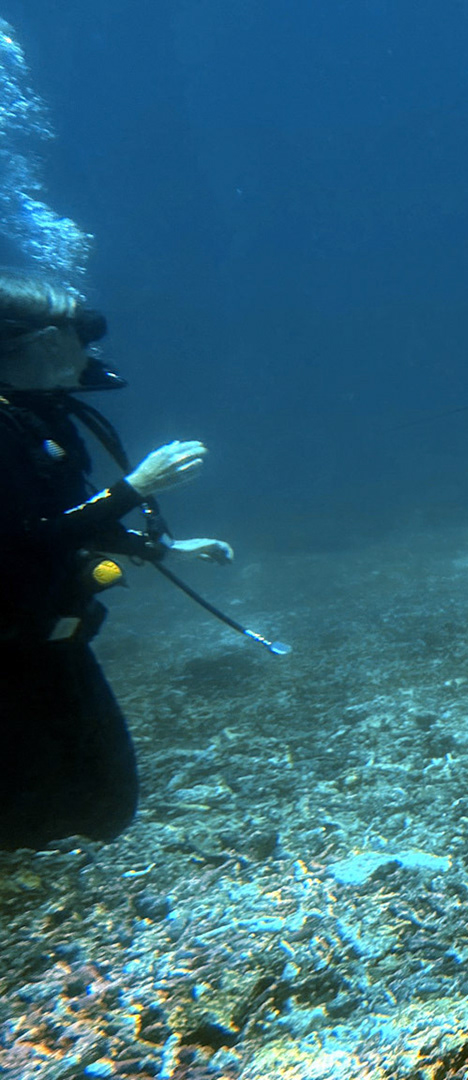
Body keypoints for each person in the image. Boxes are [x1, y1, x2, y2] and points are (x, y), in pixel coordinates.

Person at [0, 270, 233, 849]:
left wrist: (163, 546)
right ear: (47, 343)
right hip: (8, 648)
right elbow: (24, 538)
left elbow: (69, 518)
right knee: (37, 812)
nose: (90, 351)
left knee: (102, 804)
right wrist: (135, 487)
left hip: (48, 638)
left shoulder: (42, 414)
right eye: (80, 337)